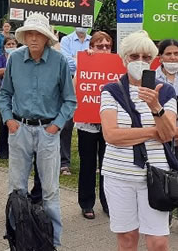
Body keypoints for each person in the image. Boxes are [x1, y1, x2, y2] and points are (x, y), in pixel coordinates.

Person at [0, 13, 77, 248]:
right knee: (16, 188)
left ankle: (52, 243)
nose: (33, 38)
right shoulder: (14, 59)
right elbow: (4, 93)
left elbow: (70, 100)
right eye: (29, 34)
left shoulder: (60, 61)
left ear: (46, 38)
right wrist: (8, 119)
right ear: (24, 36)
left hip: (47, 130)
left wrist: (56, 126)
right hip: (19, 128)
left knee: (51, 191)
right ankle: (16, 239)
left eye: (38, 34)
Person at [100, 30, 176, 251]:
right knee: (126, 239)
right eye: (134, 57)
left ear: (153, 61)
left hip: (155, 176)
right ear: (124, 59)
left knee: (159, 242)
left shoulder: (165, 92)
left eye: (145, 57)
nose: (140, 61)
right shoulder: (111, 91)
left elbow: (169, 134)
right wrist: (155, 131)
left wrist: (155, 108)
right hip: (118, 175)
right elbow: (111, 135)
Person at [76, 31, 112, 219]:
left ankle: (108, 202)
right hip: (87, 125)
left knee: (108, 165)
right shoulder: (85, 62)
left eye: (107, 46)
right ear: (92, 47)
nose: (104, 49)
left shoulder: (116, 65)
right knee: (87, 164)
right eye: (100, 46)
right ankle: (87, 203)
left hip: (109, 125)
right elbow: (76, 87)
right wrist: (85, 62)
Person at [59, 27, 91, 176]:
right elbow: (67, 63)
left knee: (90, 125)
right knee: (66, 125)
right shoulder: (66, 40)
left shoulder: (93, 40)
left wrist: (76, 58)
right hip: (70, 84)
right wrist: (86, 61)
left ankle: (91, 161)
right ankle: (64, 162)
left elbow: (100, 61)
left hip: (90, 86)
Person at [0, 36, 18, 159]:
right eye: (8, 44)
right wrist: (9, 66)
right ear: (4, 46)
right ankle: (3, 152)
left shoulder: (19, 58)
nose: (10, 46)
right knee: (4, 121)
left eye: (13, 44)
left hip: (16, 93)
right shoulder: (1, 57)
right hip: (4, 91)